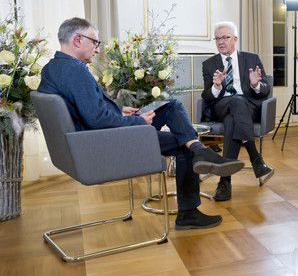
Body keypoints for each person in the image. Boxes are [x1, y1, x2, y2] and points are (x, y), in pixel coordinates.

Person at [38, 18, 246, 230]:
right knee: (182, 144)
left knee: (171, 106)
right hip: (104, 141)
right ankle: (189, 209)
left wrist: (120, 110)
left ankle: (198, 149)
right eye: (95, 43)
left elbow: (87, 109)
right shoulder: (75, 71)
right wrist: (137, 120)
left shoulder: (53, 68)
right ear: (78, 39)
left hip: (97, 136)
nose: (98, 50)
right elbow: (96, 120)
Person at [201, 21, 274, 201]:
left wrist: (255, 84)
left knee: (233, 118)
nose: (220, 42)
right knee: (236, 102)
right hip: (221, 106)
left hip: (247, 108)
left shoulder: (252, 58)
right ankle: (255, 157)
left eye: (225, 37)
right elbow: (207, 97)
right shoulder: (209, 64)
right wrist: (217, 86)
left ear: (235, 39)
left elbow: (265, 90)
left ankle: (224, 181)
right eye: (217, 38)